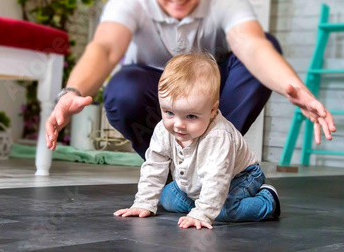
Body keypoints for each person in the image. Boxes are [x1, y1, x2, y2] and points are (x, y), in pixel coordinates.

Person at [45, 0, 336, 157]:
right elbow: (106, 49)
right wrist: (71, 92)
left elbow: (253, 46)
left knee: (266, 44)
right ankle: (166, 167)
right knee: (122, 90)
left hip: (210, 86)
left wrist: (294, 88)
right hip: (156, 87)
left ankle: (216, 158)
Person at [114, 53, 280, 229]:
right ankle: (204, 202)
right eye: (169, 112)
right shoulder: (163, 129)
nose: (178, 125)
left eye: (191, 116)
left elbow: (217, 177)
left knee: (224, 212)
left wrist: (204, 213)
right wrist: (144, 202)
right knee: (167, 198)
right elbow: (154, 165)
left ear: (212, 110)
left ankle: (268, 200)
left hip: (239, 177)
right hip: (196, 183)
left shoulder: (218, 135)